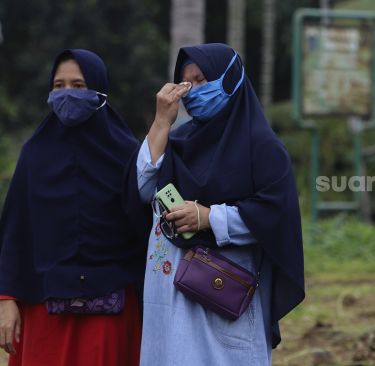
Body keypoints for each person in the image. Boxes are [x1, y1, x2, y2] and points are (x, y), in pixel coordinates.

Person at [125, 43, 305, 365]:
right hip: (167, 289)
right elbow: (142, 188)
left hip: (221, 290)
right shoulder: (177, 141)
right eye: (187, 82)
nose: (194, 90)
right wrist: (161, 123)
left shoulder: (261, 146)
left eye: (202, 79)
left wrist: (209, 217)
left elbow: (275, 214)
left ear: (231, 78)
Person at [0, 49, 147, 366]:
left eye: (78, 85)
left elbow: (145, 231)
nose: (67, 94)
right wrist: (7, 302)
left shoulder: (128, 155)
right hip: (43, 306)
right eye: (59, 85)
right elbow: (16, 231)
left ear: (99, 89)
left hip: (111, 307)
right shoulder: (35, 154)